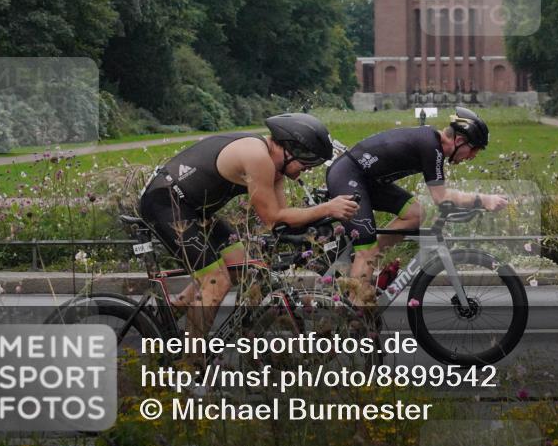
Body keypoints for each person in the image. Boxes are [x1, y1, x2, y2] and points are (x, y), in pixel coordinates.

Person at [138, 113, 359, 337]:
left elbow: (282, 220)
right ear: (292, 151)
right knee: (215, 283)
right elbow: (272, 218)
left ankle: (164, 320)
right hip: (165, 203)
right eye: (309, 162)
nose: (310, 169)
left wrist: (318, 228)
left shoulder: (276, 169)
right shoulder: (258, 157)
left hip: (194, 211)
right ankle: (191, 363)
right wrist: (327, 208)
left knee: (240, 268)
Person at [326, 107, 508, 305]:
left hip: (368, 180)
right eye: (473, 149)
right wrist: (483, 200)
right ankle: (355, 314)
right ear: (459, 141)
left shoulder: (433, 145)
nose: (473, 156)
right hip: (348, 176)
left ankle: (367, 262)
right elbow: (441, 196)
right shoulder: (431, 146)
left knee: (416, 214)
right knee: (366, 249)